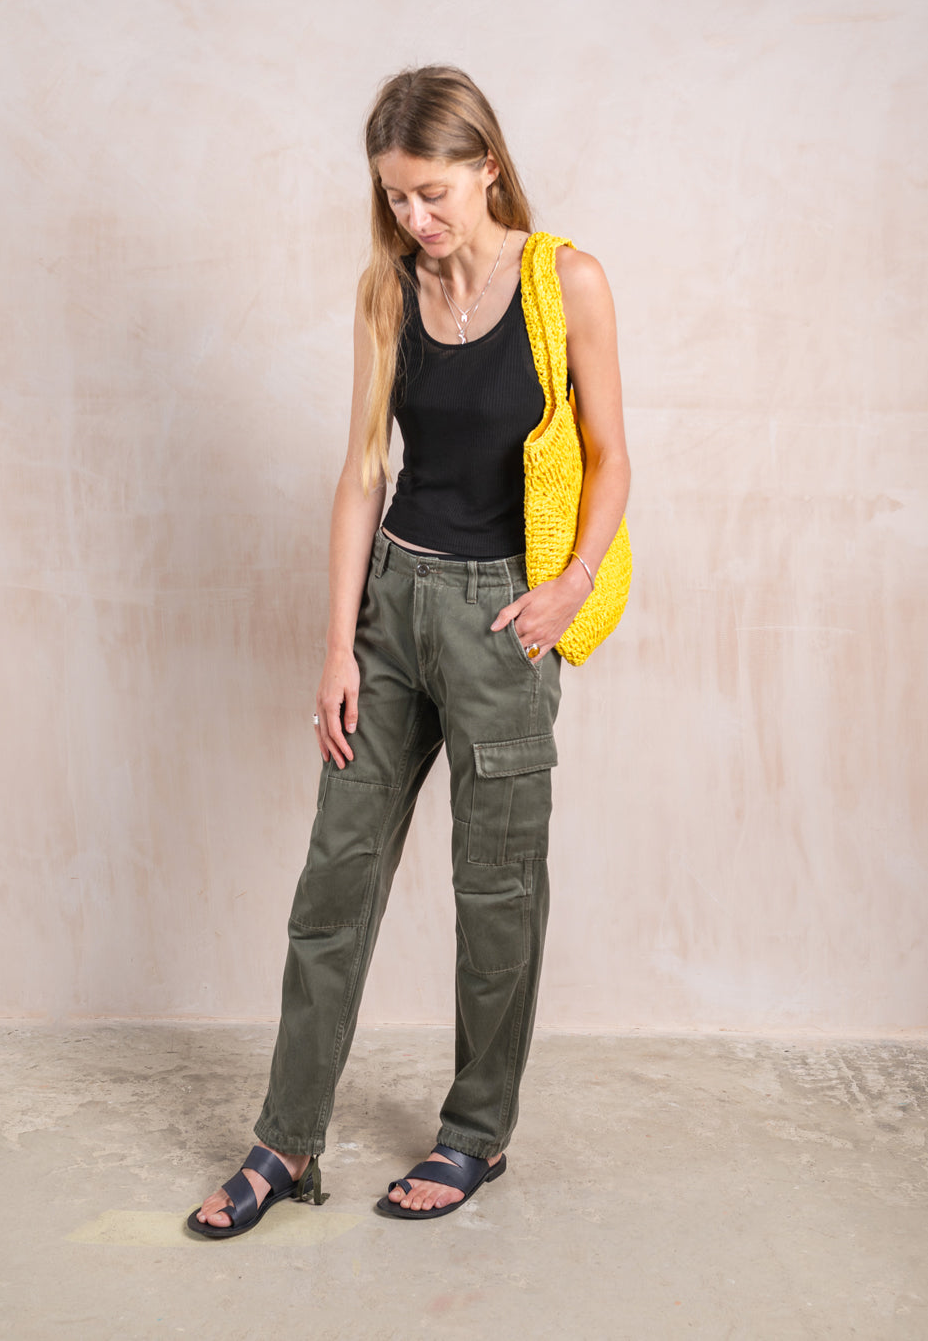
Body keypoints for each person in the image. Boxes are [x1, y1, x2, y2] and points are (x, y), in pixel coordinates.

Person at [188, 64, 630, 1236]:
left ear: (485, 165)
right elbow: (360, 472)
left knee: (496, 890)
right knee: (332, 881)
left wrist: (570, 584)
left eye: (432, 191)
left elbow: (609, 455)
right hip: (391, 606)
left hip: (500, 621)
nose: (414, 216)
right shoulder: (387, 288)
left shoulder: (565, 279)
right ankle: (286, 1138)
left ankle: (475, 1131)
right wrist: (337, 645)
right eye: (394, 194)